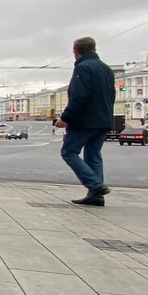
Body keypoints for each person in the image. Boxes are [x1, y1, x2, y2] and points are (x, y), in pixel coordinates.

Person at [53, 36, 116, 206]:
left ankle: (95, 186)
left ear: (76, 52)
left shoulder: (83, 67)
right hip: (103, 120)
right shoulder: (106, 69)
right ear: (94, 49)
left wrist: (65, 118)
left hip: (85, 121)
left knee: (68, 152)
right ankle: (96, 196)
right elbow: (111, 95)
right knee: (93, 156)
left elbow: (79, 97)